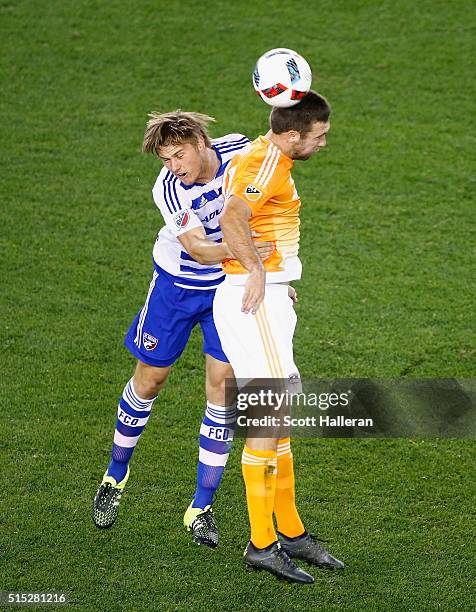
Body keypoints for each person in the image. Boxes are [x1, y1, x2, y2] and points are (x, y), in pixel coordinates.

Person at [92, 111, 273, 548]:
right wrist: (249, 255)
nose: (174, 166)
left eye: (178, 155)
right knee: (150, 380)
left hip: (225, 292)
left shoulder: (239, 151)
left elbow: (267, 200)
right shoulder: (169, 189)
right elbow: (197, 248)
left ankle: (200, 507)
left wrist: (271, 274)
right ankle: (116, 475)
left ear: (198, 141)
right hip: (176, 286)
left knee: (221, 389)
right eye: (165, 158)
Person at [214, 91, 345, 582]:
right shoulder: (266, 164)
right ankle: (261, 543)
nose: (323, 143)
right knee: (268, 419)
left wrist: (275, 277)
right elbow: (232, 217)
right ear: (294, 134)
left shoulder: (264, 156)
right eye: (320, 136)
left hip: (267, 298)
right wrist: (256, 273)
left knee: (280, 419)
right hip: (255, 305)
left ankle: (289, 531)